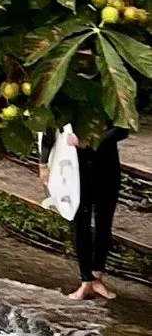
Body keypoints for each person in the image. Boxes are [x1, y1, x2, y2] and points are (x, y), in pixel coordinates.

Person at [59, 126, 125, 301]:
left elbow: (123, 129)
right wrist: (44, 164)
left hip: (107, 167)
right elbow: (52, 130)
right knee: (81, 223)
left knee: (104, 223)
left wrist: (94, 139)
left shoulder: (109, 102)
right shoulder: (71, 104)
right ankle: (86, 280)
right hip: (77, 170)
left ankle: (97, 276)